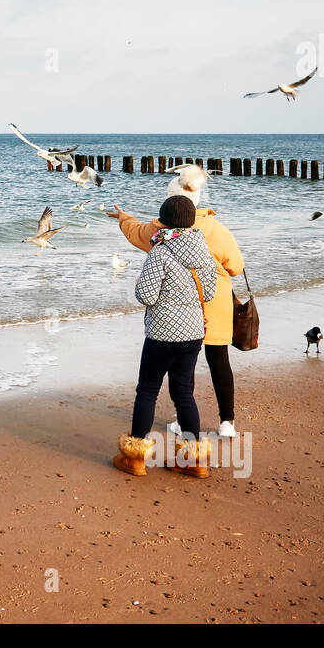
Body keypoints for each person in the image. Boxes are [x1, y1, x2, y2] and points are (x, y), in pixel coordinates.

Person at [108, 166, 245, 438]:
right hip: (212, 305)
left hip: (171, 316)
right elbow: (236, 268)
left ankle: (175, 427)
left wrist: (124, 217)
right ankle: (226, 422)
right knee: (218, 361)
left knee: (172, 378)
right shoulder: (216, 230)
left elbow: (136, 233)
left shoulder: (159, 234)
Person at [113, 195, 217, 479]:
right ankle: (194, 460)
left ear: (163, 221)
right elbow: (207, 293)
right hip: (193, 333)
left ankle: (135, 459)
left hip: (162, 333)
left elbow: (145, 295)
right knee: (183, 392)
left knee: (147, 391)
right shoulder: (203, 251)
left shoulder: (160, 251)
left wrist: (142, 284)